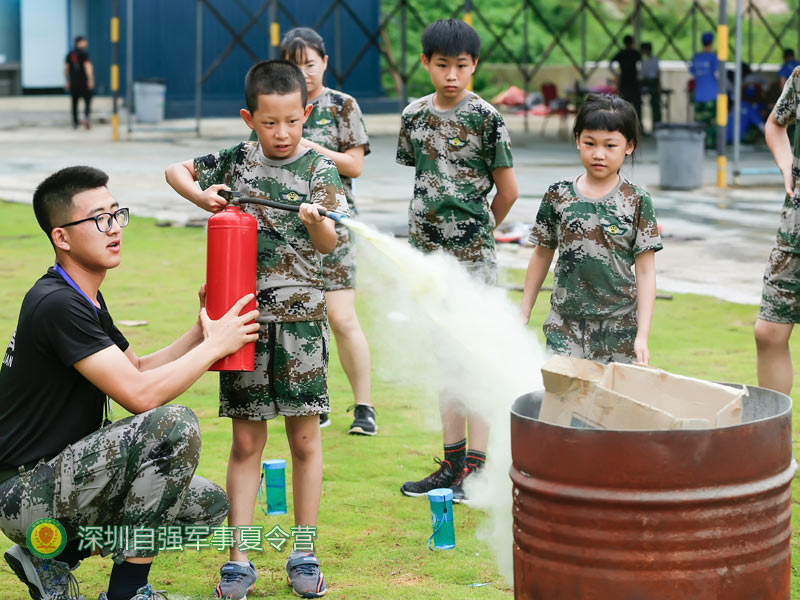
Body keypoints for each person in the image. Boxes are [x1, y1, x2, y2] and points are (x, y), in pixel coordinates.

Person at [0, 166, 260, 600]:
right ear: (62, 237)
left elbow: (134, 369)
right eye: (99, 219)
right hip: (24, 491)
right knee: (173, 425)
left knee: (206, 506)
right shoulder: (57, 304)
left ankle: (53, 557)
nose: (114, 228)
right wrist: (215, 347)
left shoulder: (84, 296)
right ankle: (127, 591)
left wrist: (200, 333)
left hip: (61, 479)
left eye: (116, 214)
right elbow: (140, 397)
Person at [165, 59, 346, 600]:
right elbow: (176, 170)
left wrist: (318, 225)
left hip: (301, 326)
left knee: (306, 440)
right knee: (246, 441)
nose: (282, 133)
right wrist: (203, 198)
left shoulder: (319, 169)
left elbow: (330, 244)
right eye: (270, 123)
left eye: (293, 121)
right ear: (250, 118)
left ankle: (304, 551)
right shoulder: (237, 159)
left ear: (306, 114)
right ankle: (238, 560)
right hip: (240, 323)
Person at [396, 19, 518, 504]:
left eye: (461, 67)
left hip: (473, 257)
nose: (451, 75)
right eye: (442, 65)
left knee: (475, 356)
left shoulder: (487, 118)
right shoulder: (413, 117)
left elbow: (507, 191)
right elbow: (419, 176)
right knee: (446, 359)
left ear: (475, 67)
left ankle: (479, 468)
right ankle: (450, 463)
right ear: (426, 63)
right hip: (426, 257)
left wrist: (477, 228)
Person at [275, 26, 377, 436]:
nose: (304, 73)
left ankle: (364, 407)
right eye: (295, 67)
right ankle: (316, 404)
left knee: (341, 318)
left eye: (311, 64)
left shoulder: (342, 105)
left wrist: (304, 143)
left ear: (325, 63)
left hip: (335, 227)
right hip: (290, 236)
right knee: (300, 320)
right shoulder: (278, 108)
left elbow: (354, 165)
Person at [520, 94, 662, 365]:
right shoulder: (558, 194)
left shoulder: (637, 199)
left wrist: (642, 335)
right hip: (565, 324)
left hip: (619, 327)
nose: (599, 154)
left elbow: (645, 269)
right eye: (590, 143)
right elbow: (541, 254)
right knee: (564, 400)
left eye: (610, 145)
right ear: (577, 140)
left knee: (611, 405)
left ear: (628, 147)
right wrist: (524, 311)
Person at [755, 65, 800, 396]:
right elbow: (775, 123)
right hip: (793, 231)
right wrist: (787, 165)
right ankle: (777, 446)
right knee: (768, 332)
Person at [690, 32, 719, 149]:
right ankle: (711, 145)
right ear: (712, 43)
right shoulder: (713, 58)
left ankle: (699, 146)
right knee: (712, 123)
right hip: (711, 95)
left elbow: (693, 74)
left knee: (700, 123)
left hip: (699, 95)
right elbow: (718, 75)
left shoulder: (696, 57)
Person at [64, 36, 94, 130]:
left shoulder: (70, 54)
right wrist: (90, 79)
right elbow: (87, 67)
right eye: (84, 41)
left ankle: (75, 122)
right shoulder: (84, 54)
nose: (86, 43)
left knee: (74, 103)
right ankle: (86, 117)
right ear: (79, 43)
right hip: (84, 82)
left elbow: (65, 68)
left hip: (73, 83)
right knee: (87, 101)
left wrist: (67, 81)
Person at [611, 35, 642, 121]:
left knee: (623, 107)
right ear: (632, 43)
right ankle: (639, 127)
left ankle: (623, 127)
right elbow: (641, 67)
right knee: (637, 107)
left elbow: (610, 65)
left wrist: (617, 74)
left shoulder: (621, 53)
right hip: (633, 82)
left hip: (624, 82)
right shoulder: (636, 53)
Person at [640, 42, 661, 129]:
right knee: (655, 104)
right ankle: (656, 125)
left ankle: (656, 124)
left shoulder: (648, 61)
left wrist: (659, 85)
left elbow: (657, 73)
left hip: (651, 82)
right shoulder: (650, 60)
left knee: (655, 104)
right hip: (650, 81)